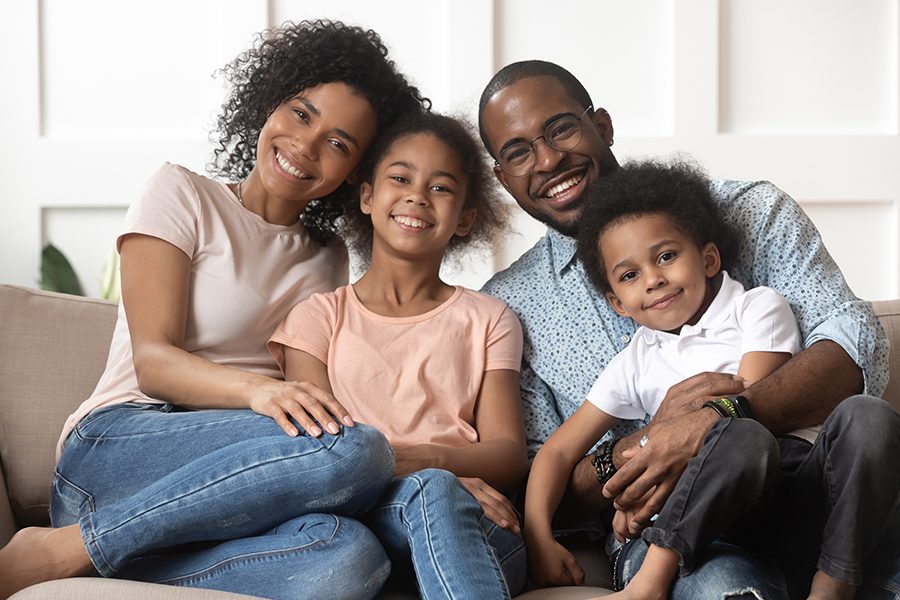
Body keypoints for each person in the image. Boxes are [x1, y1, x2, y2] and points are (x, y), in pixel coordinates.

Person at [0, 20, 429, 600]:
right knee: (352, 449)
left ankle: (103, 555)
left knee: (350, 556)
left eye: (338, 143)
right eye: (302, 113)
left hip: (229, 482)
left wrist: (439, 471)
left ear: (355, 173)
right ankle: (67, 548)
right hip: (120, 445)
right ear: (270, 99)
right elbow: (153, 361)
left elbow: (318, 397)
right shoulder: (180, 193)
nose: (306, 145)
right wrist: (261, 393)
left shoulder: (327, 258)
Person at [477, 59, 899, 598]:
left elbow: (854, 348)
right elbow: (542, 471)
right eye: (517, 152)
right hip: (671, 534)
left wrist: (710, 420)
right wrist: (644, 445)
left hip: (800, 492)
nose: (548, 159)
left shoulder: (751, 213)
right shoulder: (512, 306)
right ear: (502, 176)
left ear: (601, 127)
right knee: (723, 584)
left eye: (560, 128)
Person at [267, 110, 528, 599]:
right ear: (367, 196)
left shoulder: (490, 319)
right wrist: (441, 475)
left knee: (437, 494)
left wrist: (435, 470)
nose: (417, 196)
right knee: (432, 492)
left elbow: (508, 455)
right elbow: (322, 455)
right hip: (368, 522)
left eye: (442, 188)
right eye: (401, 178)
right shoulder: (317, 319)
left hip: (478, 529)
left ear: (465, 218)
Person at [526, 158, 803, 599]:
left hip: (754, 507)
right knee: (722, 583)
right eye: (631, 275)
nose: (654, 280)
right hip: (667, 537)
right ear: (619, 303)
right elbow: (558, 450)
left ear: (708, 258)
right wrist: (537, 535)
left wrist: (642, 492)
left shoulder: (756, 310)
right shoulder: (638, 358)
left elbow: (739, 426)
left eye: (666, 256)